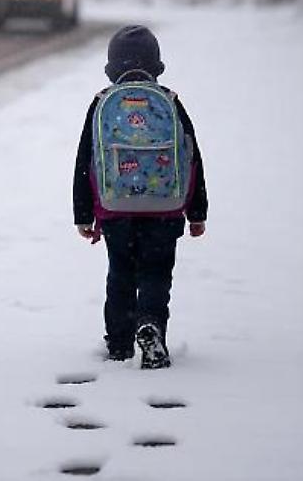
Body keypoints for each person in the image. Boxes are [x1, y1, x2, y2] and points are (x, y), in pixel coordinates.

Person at [72, 25, 208, 369]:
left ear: (110, 68)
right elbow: (192, 157)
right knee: (156, 273)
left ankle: (119, 343)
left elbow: (85, 159)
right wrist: (197, 211)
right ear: (158, 66)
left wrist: (83, 214)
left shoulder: (103, 103)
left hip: (116, 209)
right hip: (165, 209)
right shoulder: (171, 103)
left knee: (120, 272)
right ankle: (151, 327)